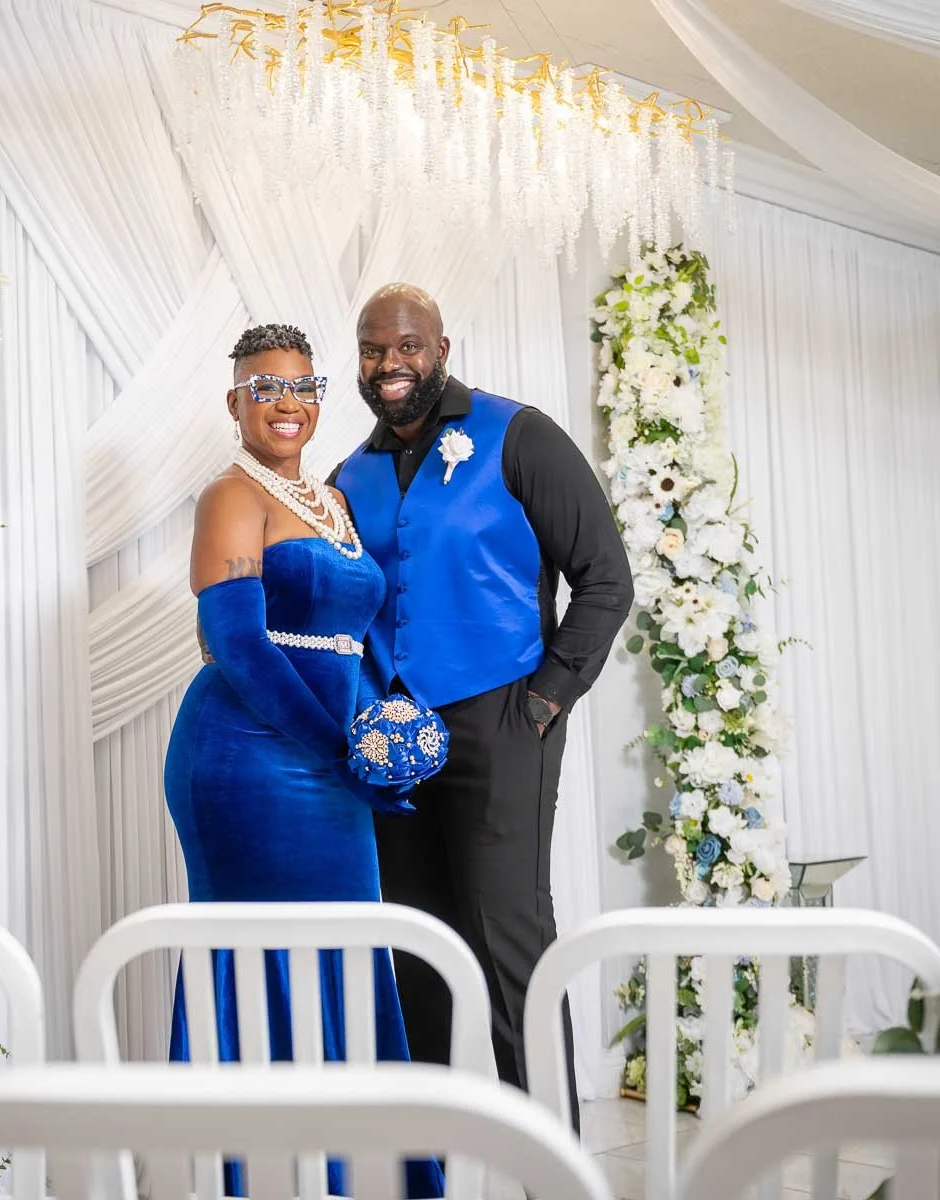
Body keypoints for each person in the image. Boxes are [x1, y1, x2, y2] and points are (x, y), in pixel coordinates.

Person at [331, 284, 635, 1129]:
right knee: (416, 945)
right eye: (372, 350)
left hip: (504, 717)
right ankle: (431, 1165)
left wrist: (545, 700)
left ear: (441, 348)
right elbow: (348, 607)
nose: (389, 365)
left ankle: (549, 1161)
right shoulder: (347, 475)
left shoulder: (518, 434)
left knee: (509, 940)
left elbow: (606, 578)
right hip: (394, 739)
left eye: (406, 347)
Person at [165, 322, 444, 1198]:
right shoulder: (228, 498)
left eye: (303, 388)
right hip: (245, 759)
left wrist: (391, 726)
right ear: (235, 402)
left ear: (319, 398)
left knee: (350, 947)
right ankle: (241, 1177)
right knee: (256, 956)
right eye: (266, 389)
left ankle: (364, 1176)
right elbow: (238, 646)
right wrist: (341, 750)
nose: (287, 404)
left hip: (332, 762)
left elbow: (353, 640)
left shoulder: (333, 501)